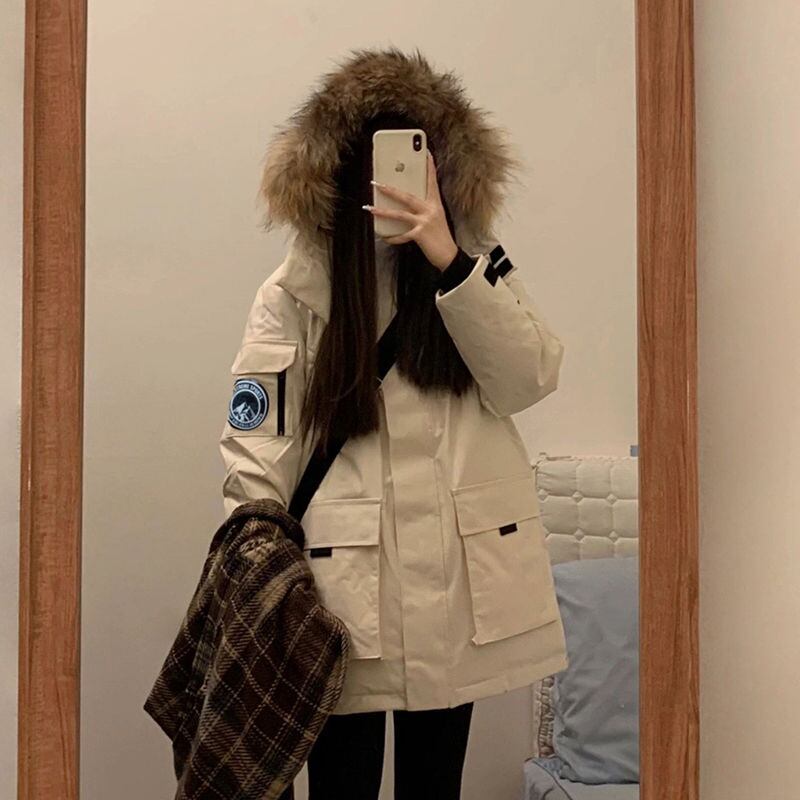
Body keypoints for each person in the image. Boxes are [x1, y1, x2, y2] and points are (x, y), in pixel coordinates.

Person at [218, 46, 569, 800]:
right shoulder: (298, 287)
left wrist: (447, 255)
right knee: (340, 785)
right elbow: (257, 441)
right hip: (341, 590)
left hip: (455, 579)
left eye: (414, 155)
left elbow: (530, 376)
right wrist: (256, 568)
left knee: (435, 784)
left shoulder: (475, 261)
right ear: (337, 170)